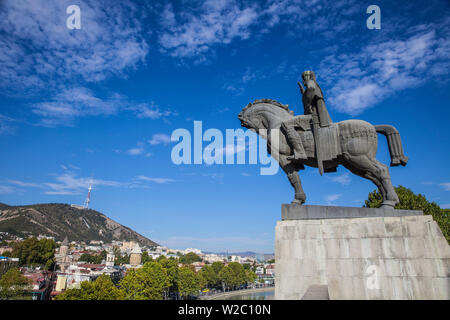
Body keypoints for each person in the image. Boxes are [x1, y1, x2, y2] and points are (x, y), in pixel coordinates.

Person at [281, 70, 333, 161]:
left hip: (314, 116)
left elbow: (311, 88)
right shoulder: (310, 86)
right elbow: (309, 92)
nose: (303, 80)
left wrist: (308, 103)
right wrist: (303, 92)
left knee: (286, 124)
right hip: (313, 116)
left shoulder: (311, 82)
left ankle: (300, 152)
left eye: (304, 77)